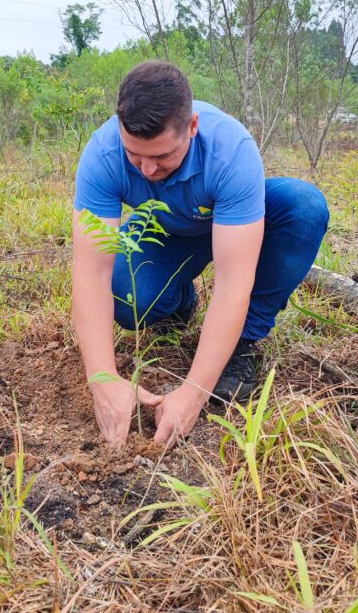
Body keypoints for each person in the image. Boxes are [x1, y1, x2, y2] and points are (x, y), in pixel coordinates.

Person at [72, 61, 329, 447]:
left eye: (161, 157)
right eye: (134, 155)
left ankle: (241, 342)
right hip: (166, 233)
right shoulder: (102, 154)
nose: (145, 168)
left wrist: (193, 393)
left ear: (191, 127)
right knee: (124, 295)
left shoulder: (231, 151)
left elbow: (233, 282)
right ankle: (178, 302)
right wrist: (102, 378)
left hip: (236, 227)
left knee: (304, 206)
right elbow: (91, 273)